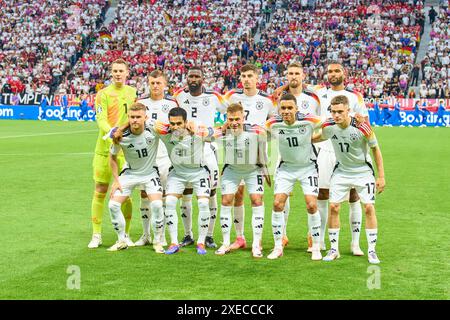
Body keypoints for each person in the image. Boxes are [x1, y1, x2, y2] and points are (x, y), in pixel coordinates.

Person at [315, 95, 385, 264]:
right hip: (341, 171)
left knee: (369, 207)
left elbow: (376, 150)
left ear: (348, 111)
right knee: (334, 207)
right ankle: (333, 250)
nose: (336, 115)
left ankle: (372, 250)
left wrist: (381, 176)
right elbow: (319, 138)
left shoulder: (362, 127)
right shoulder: (329, 127)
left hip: (363, 171)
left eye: (340, 112)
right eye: (333, 112)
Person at [311, 62, 369, 256]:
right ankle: (318, 241)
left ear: (344, 73)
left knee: (354, 196)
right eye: (330, 71)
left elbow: (366, 123)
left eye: (337, 71)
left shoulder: (355, 96)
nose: (333, 74)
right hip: (326, 149)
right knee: (322, 195)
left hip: (350, 152)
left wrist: (361, 121)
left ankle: (355, 244)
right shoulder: (319, 94)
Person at [223, 64, 276, 251]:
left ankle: (259, 240)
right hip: (236, 155)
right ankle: (239, 237)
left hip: (257, 157)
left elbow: (275, 123)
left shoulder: (267, 101)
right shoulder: (232, 97)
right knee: (237, 195)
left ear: (257, 79)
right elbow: (224, 120)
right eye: (243, 76)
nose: (246, 79)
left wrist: (265, 133)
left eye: (249, 76)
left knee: (257, 198)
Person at [265, 94, 323, 261]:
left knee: (312, 205)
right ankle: (278, 246)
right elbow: (261, 135)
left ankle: (316, 246)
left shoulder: (309, 120)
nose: (286, 111)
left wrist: (314, 138)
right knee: (277, 203)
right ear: (278, 109)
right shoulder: (272, 123)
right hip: (286, 168)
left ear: (297, 108)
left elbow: (328, 124)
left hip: (308, 167)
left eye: (290, 108)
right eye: (283, 108)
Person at [173, 67, 226, 249]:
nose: (193, 79)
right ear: (186, 78)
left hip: (208, 148)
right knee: (186, 193)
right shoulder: (179, 96)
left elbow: (233, 110)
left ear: (203, 79)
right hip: (187, 149)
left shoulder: (213, 97)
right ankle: (188, 235)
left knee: (210, 194)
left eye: (197, 76)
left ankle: (209, 235)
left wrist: (217, 130)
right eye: (190, 76)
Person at [88, 58, 137, 249]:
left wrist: (121, 133)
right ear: (111, 72)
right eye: (114, 70)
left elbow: (134, 116)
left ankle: (126, 234)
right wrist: (111, 134)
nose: (117, 74)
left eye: (121, 71)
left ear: (127, 73)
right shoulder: (102, 94)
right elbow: (100, 118)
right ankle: (96, 234)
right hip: (104, 149)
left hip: (125, 150)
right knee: (100, 190)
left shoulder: (132, 93)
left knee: (125, 193)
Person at [272, 62, 321, 249]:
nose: (293, 76)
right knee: (284, 195)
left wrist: (311, 140)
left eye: (296, 73)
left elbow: (321, 122)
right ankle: (282, 235)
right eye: (290, 73)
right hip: (284, 152)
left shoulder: (313, 98)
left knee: (313, 198)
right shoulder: (278, 97)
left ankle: (312, 236)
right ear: (286, 76)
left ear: (303, 76)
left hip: (308, 153)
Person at [157, 107, 219, 255]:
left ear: (185, 122)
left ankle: (201, 242)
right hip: (177, 173)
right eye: (172, 123)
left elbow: (216, 133)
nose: (176, 127)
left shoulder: (197, 133)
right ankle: (173, 242)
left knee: (204, 203)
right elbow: (151, 123)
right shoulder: (166, 135)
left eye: (179, 123)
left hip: (199, 172)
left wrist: (200, 127)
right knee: (170, 202)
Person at [107, 103, 164, 253]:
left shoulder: (153, 129)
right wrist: (116, 180)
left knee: (157, 205)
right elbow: (112, 157)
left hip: (150, 173)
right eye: (132, 117)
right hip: (129, 174)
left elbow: (171, 130)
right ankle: (121, 240)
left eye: (138, 117)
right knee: (113, 205)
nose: (135, 120)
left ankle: (157, 241)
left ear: (145, 117)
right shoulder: (120, 136)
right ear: (128, 118)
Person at [214, 103, 269, 258]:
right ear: (227, 119)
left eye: (237, 119)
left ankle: (256, 244)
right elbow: (205, 135)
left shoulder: (255, 130)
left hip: (253, 170)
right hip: (231, 170)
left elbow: (267, 140)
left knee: (257, 200)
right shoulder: (223, 132)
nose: (234, 122)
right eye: (231, 119)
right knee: (226, 201)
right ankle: (225, 243)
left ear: (243, 117)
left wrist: (265, 170)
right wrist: (220, 128)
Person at [135, 70, 178, 247]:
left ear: (165, 84)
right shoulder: (140, 103)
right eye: (152, 82)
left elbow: (177, 128)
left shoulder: (171, 103)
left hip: (165, 157)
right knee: (144, 195)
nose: (155, 86)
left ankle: (163, 236)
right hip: (146, 158)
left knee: (166, 198)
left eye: (158, 83)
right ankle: (146, 235)